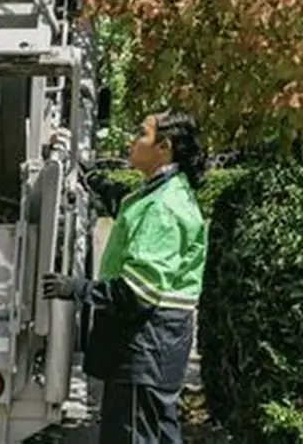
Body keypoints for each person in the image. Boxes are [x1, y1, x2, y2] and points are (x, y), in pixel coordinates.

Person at [41, 110, 208, 444]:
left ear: (164, 147)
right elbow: (127, 207)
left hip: (145, 346)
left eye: (141, 133)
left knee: (134, 435)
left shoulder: (163, 207)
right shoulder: (160, 193)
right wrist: (91, 177)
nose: (132, 140)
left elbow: (137, 294)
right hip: (153, 349)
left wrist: (76, 288)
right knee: (154, 432)